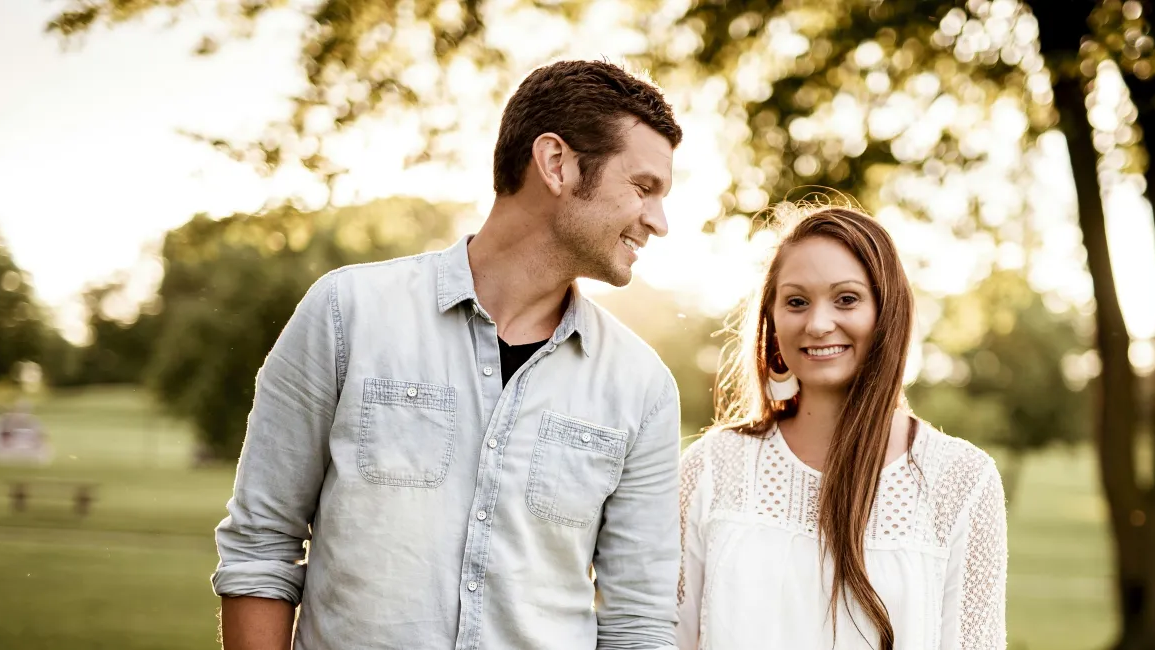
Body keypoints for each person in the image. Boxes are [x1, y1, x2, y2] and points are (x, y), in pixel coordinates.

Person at [213, 60, 686, 650]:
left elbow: (637, 622)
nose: (658, 222)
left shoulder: (642, 387)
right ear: (557, 163)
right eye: (643, 188)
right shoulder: (346, 313)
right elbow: (262, 545)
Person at [676, 206, 1008, 650]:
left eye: (847, 299)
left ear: (887, 312)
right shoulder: (712, 469)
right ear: (772, 322)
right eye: (796, 301)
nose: (817, 323)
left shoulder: (962, 480)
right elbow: (661, 636)